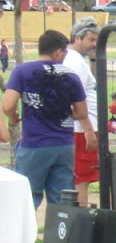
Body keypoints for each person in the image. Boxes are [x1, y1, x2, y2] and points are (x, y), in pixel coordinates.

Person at [1, 30, 87, 208]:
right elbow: (81, 113)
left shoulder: (22, 71)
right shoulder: (71, 75)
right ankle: (61, 234)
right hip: (63, 144)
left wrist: (14, 117)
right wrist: (61, 110)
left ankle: (24, 235)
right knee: (63, 199)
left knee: (27, 197)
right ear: (58, 52)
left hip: (35, 143)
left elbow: (8, 105)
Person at [63, 17, 100, 207]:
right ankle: (81, 222)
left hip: (82, 127)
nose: (94, 44)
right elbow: (75, 100)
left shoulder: (74, 61)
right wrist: (88, 130)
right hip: (82, 129)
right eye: (91, 40)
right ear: (77, 38)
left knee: (80, 178)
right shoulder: (76, 63)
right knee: (81, 180)